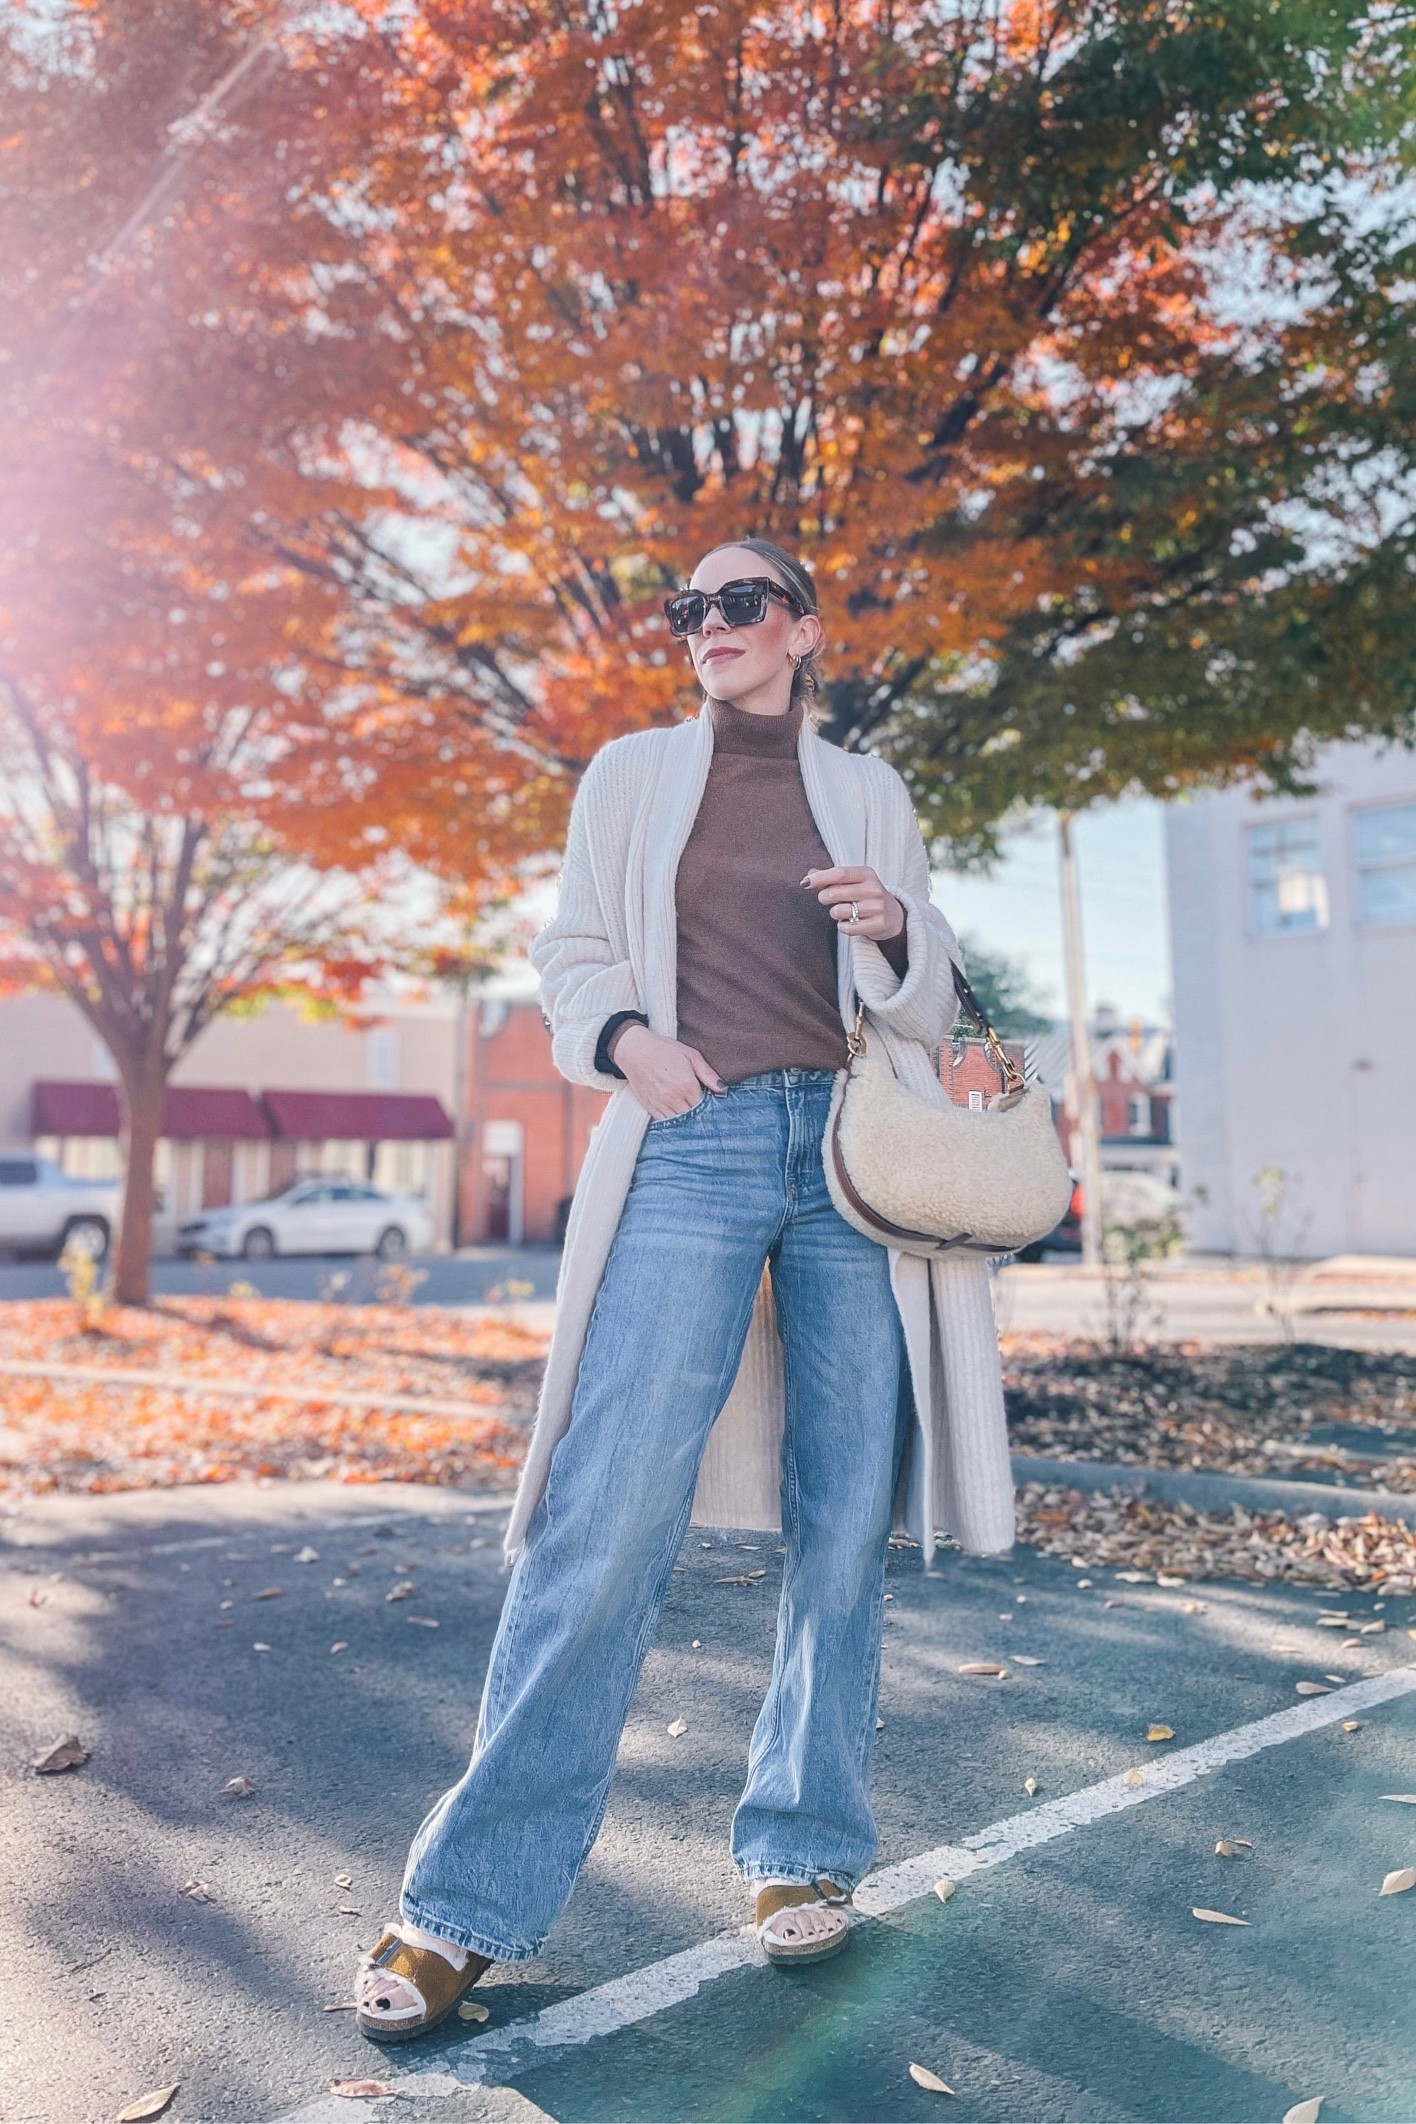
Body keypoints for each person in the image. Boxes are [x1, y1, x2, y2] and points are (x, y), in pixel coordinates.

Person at [354, 538, 1014, 2044]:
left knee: (843, 1512)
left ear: (802, 627)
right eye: (689, 610)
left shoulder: (873, 794)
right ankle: (466, 1907)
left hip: (855, 1159)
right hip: (695, 1137)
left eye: (740, 604)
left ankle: (801, 1854)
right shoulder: (630, 774)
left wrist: (898, 931)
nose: (709, 626)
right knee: (607, 1508)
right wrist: (630, 1042)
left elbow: (928, 995)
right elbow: (571, 949)